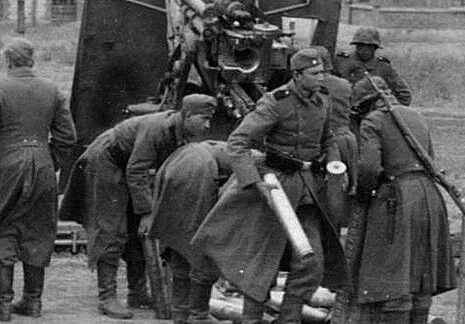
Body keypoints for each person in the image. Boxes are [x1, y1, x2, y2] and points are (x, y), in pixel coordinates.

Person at [192, 49, 347, 324]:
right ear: (297, 76)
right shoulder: (275, 102)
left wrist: (335, 164)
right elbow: (237, 142)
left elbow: (328, 140)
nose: (321, 78)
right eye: (314, 74)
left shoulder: (323, 101)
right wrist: (253, 182)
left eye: (322, 72)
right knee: (262, 263)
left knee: (311, 263)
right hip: (274, 188)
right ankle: (251, 320)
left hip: (307, 190)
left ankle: (288, 319)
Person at [59, 93, 216, 320]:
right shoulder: (157, 129)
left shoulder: (183, 133)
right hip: (107, 160)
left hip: (128, 166)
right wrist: (146, 212)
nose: (208, 125)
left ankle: (138, 293)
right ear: (188, 115)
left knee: (138, 233)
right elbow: (136, 169)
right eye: (203, 119)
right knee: (112, 229)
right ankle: (107, 297)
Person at [0, 38, 77, 321]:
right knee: (38, 229)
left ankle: (4, 305)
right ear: (32, 60)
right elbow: (68, 138)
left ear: (8, 61)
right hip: (42, 167)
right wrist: (48, 159)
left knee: (3, 227)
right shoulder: (52, 90)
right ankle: (33, 302)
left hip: (5, 168)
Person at [348, 77, 455, 323]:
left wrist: (363, 195)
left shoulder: (373, 120)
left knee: (393, 275)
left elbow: (369, 169)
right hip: (429, 196)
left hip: (397, 199)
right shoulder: (415, 116)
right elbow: (429, 157)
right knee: (420, 277)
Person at [149, 140, 232, 324]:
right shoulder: (257, 160)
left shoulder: (232, 149)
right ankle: (199, 315)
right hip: (200, 169)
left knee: (179, 240)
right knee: (206, 244)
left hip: (177, 161)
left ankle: (181, 312)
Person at [312, 45, 355, 225]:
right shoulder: (345, 85)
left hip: (323, 143)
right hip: (345, 140)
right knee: (344, 192)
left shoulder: (311, 84)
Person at [335, 27, 411, 106]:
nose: (364, 50)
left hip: (373, 112)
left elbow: (404, 95)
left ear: (375, 48)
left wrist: (388, 110)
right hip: (345, 110)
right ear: (356, 46)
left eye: (369, 47)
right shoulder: (341, 61)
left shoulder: (383, 66)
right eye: (361, 46)